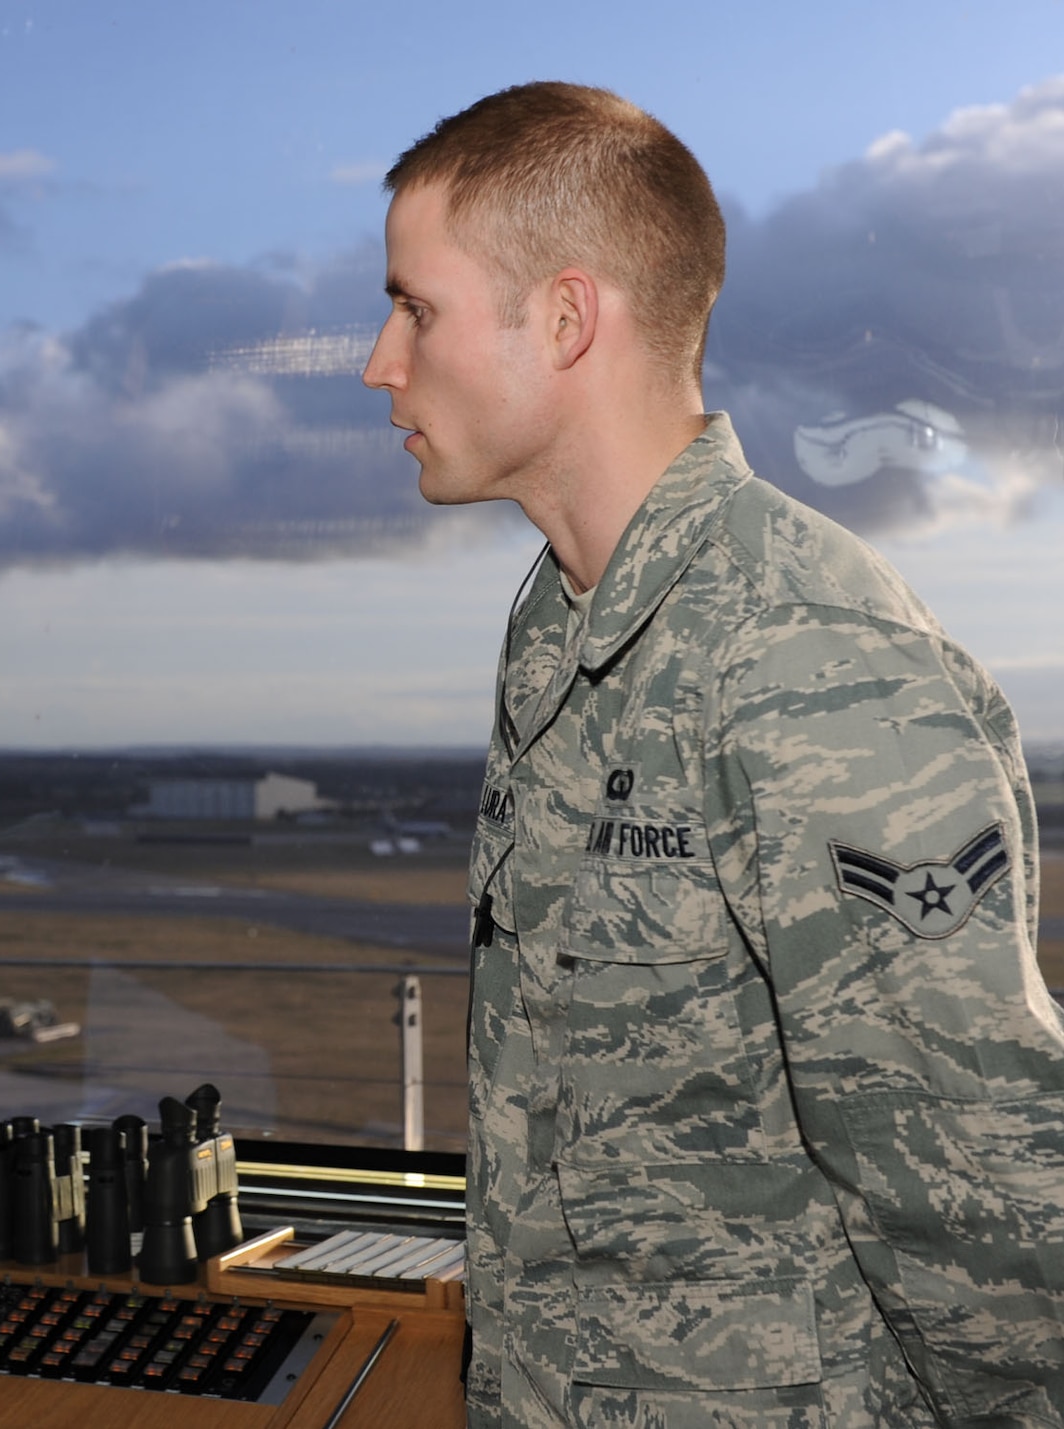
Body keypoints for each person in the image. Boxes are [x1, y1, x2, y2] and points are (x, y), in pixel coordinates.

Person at [363, 83, 1064, 1427]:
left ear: (565, 318)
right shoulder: (556, 622)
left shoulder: (806, 651)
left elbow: (980, 1191)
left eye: (417, 307)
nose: (380, 360)